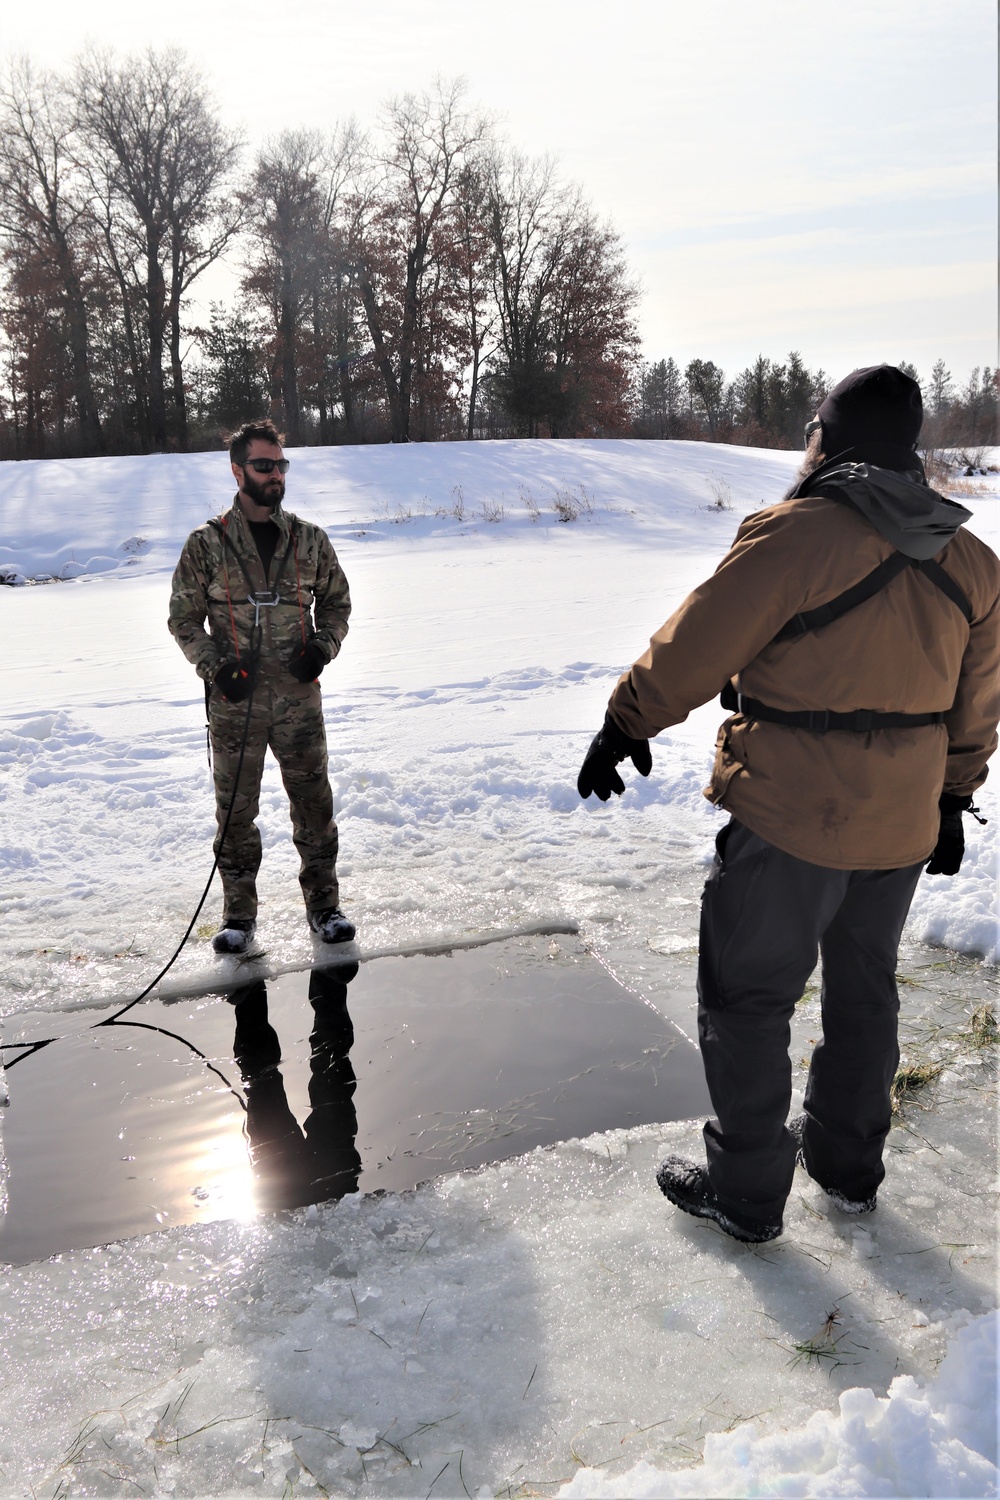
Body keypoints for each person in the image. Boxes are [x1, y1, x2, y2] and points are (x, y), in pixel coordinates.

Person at [577, 365, 1000, 1243]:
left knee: (747, 1000)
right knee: (864, 992)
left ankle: (746, 1193)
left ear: (828, 437)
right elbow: (979, 701)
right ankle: (847, 1169)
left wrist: (626, 720)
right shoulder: (972, 561)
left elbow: (697, 643)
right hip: (903, 820)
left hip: (793, 818)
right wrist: (955, 796)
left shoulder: (792, 534)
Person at [169, 419, 355, 955]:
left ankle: (325, 908)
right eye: (264, 465)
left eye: (281, 465)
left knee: (314, 806)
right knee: (235, 813)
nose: (276, 475)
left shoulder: (310, 540)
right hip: (236, 704)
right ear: (237, 470)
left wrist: (322, 647)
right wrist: (215, 667)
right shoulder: (207, 544)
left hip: (298, 702)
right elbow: (183, 620)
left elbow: (337, 605)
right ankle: (238, 917)